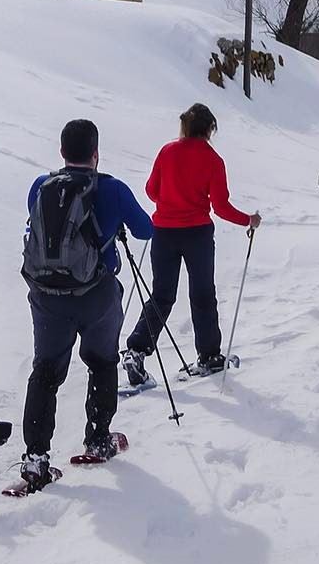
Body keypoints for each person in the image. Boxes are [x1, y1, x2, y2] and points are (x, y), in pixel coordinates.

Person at [18, 119, 153, 492]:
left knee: (45, 372)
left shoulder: (39, 187)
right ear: (96, 153)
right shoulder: (111, 189)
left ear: (62, 152)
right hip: (96, 295)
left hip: (47, 297)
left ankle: (36, 459)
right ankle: (98, 438)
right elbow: (146, 229)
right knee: (102, 361)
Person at [122, 103, 260, 383]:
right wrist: (249, 220)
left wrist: (170, 200)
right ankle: (209, 355)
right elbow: (220, 207)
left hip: (163, 231)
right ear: (210, 129)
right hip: (197, 234)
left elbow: (151, 190)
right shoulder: (213, 160)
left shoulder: (167, 151)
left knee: (161, 295)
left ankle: (136, 350)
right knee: (202, 295)